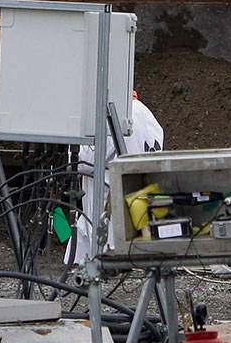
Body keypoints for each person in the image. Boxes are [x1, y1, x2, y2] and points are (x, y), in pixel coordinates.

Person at [67, 95, 164, 265]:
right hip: (139, 199)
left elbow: (83, 161)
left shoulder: (114, 113)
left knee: (99, 239)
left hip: (108, 201)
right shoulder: (145, 113)